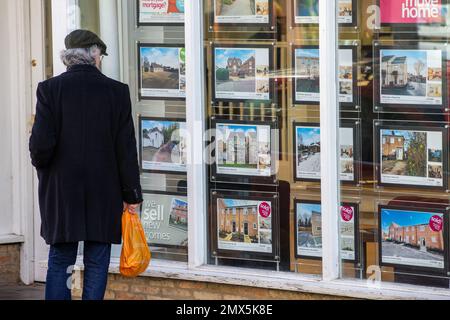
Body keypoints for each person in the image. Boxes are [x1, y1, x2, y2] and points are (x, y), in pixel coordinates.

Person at [29, 29, 143, 300]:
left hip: (61, 189)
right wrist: (132, 195)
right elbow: (125, 150)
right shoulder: (117, 92)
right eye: (101, 54)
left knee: (61, 259)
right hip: (104, 189)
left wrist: (45, 170)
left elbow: (40, 147)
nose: (101, 59)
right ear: (93, 54)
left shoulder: (49, 89)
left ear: (68, 58)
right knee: (97, 258)